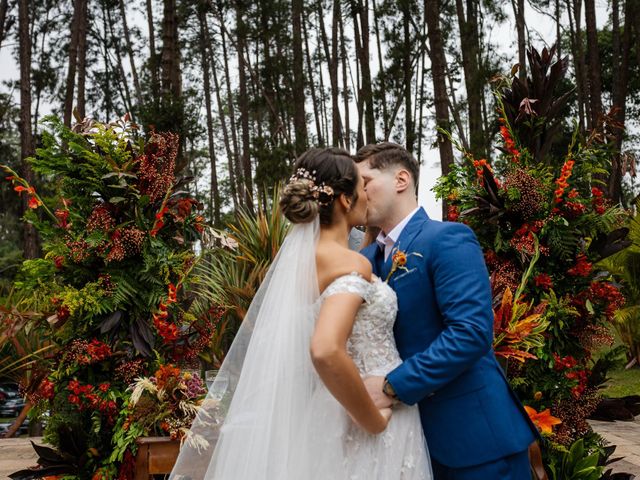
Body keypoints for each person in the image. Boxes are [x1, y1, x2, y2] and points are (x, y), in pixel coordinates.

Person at [170, 147, 432, 479]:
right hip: (368, 409)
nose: (367, 194)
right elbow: (325, 349)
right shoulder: (352, 263)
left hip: (325, 412)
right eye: (361, 186)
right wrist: (374, 421)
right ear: (343, 200)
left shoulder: (300, 268)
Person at [356, 142, 539, 480]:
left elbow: (470, 333)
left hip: (475, 442)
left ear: (401, 179)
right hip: (400, 445)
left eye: (365, 180)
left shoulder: (447, 239)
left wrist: (391, 387)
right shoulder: (362, 262)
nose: (358, 192)